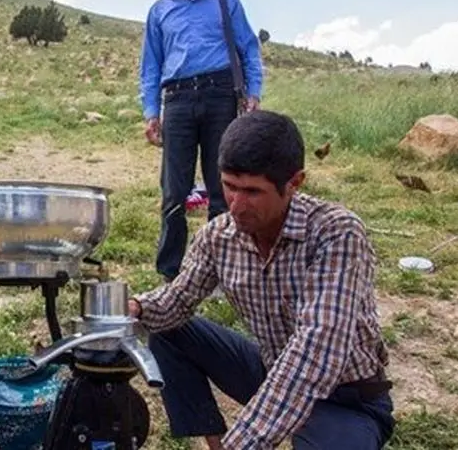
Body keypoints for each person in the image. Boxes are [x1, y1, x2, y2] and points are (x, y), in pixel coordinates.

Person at [127, 111, 396, 450]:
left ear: (294, 183)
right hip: (271, 369)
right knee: (164, 326)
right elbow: (175, 302)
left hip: (343, 397)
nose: (236, 205)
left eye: (253, 191)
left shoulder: (335, 233)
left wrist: (246, 442)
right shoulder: (219, 236)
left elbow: (317, 352)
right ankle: (214, 440)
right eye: (229, 186)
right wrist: (135, 308)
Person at [139, 0, 265, 281]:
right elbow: (151, 66)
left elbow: (249, 49)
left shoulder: (227, 0)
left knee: (221, 190)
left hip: (220, 97)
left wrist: (253, 93)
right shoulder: (159, 10)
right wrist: (151, 112)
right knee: (173, 192)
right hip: (176, 101)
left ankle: (223, 271)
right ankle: (171, 274)